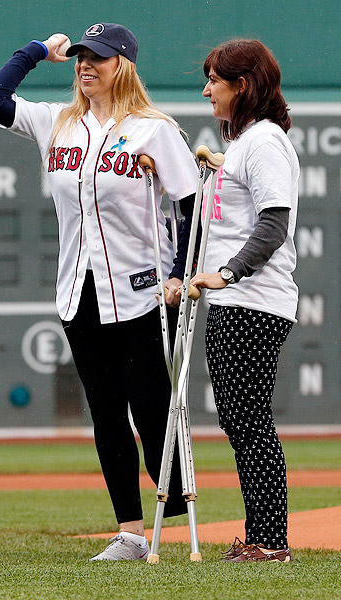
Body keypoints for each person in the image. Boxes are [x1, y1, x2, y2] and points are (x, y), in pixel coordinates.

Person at [0, 23, 199, 561]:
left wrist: (179, 274)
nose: (85, 65)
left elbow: (189, 207)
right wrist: (36, 52)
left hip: (142, 289)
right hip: (80, 290)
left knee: (151, 407)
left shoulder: (154, 130)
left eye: (97, 57)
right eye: (80, 57)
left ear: (122, 64)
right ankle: (128, 531)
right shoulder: (58, 122)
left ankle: (178, 514)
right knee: (105, 410)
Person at [190, 39, 299, 562]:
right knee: (239, 419)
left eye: (216, 79)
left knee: (248, 419)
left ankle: (270, 542)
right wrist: (215, 159)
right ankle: (260, 537)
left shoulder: (265, 142)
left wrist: (228, 273)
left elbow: (274, 222)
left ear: (244, 85)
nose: (207, 89)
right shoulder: (248, 143)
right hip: (241, 300)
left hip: (253, 298)